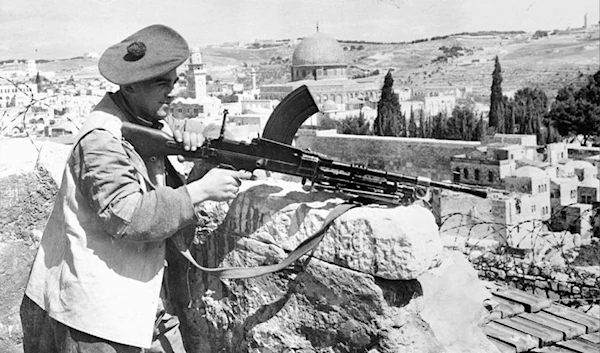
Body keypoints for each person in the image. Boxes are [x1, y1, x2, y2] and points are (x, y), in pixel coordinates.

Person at [20, 24, 251, 352]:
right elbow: (128, 216)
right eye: (161, 84)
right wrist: (200, 191)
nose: (172, 92)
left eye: (173, 82)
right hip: (97, 319)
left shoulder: (143, 116)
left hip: (145, 308)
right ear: (128, 87)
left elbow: (171, 132)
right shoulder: (101, 140)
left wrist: (200, 132)